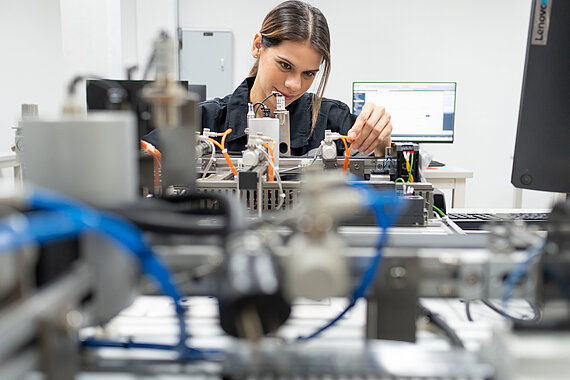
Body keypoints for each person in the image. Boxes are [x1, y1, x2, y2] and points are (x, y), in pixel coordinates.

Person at [146, 0, 392, 157]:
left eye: (308, 73)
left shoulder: (333, 121)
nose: (294, 85)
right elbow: (139, 160)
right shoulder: (205, 120)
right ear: (257, 46)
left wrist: (381, 141)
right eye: (285, 65)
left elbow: (385, 160)